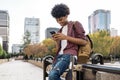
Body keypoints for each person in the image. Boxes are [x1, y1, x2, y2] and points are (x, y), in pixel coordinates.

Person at [48, 3, 87, 80]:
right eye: (57, 20)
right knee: (51, 76)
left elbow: (83, 41)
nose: (59, 22)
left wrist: (66, 37)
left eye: (60, 19)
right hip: (59, 56)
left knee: (52, 76)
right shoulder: (60, 30)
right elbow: (60, 48)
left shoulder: (75, 24)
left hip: (69, 55)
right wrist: (57, 41)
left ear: (66, 15)